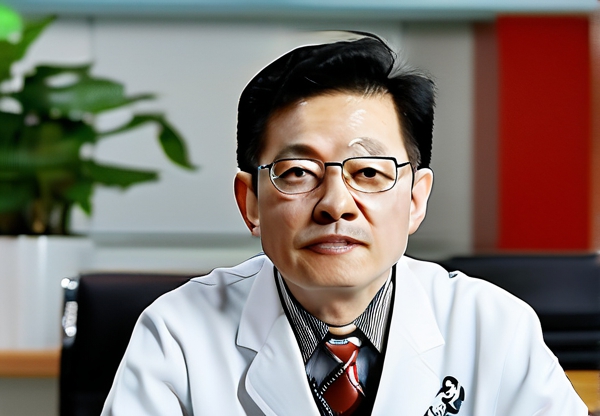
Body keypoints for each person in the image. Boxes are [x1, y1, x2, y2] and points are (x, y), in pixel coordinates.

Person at [101, 33, 588, 415]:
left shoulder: (494, 327)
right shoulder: (178, 333)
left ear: (416, 199)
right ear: (250, 202)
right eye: (298, 172)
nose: (336, 205)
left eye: (369, 173)